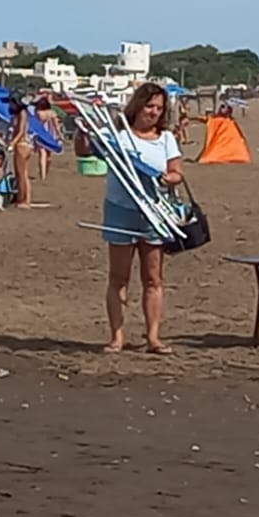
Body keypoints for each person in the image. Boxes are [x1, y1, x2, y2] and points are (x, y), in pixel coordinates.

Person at [76, 81, 184, 354]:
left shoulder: (166, 139)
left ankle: (153, 338)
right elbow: (84, 151)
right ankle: (117, 337)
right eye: (149, 106)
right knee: (118, 277)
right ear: (138, 105)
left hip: (154, 213)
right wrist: (83, 131)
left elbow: (176, 172)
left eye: (159, 108)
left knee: (153, 278)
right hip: (120, 211)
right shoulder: (118, 136)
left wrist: (170, 178)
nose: (154, 112)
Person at [6, 94, 34, 207]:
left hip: (21, 144)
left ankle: (23, 200)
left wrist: (12, 143)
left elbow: (21, 131)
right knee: (24, 174)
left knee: (21, 174)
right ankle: (26, 199)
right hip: (24, 144)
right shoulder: (21, 114)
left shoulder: (22, 114)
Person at [33, 94, 62, 182]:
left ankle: (43, 175)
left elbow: (35, 124)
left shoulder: (37, 112)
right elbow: (56, 126)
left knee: (42, 154)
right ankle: (46, 172)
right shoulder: (52, 113)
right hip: (51, 135)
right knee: (48, 156)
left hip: (41, 134)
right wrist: (60, 135)